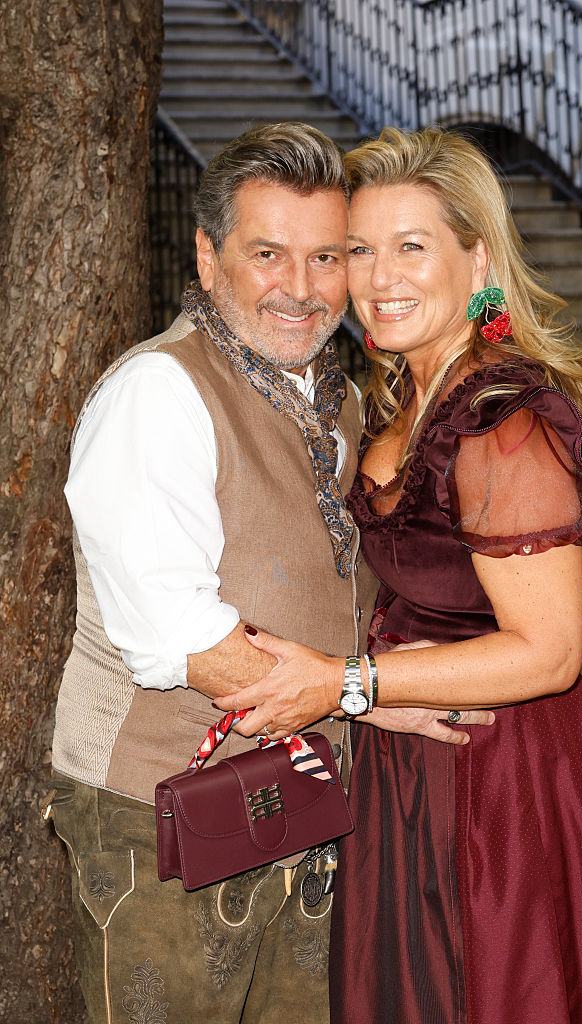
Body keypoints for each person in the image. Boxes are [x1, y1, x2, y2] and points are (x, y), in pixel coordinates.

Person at [222, 127, 582, 1024]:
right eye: (359, 249)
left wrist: (346, 683)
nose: (379, 277)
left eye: (411, 246)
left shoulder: (501, 419)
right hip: (409, 756)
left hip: (504, 779)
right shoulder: (398, 400)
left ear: (477, 263)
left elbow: (548, 651)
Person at [44, 122, 493, 1024]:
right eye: (267, 254)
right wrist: (368, 696)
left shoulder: (342, 400)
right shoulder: (158, 393)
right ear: (208, 258)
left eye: (326, 257)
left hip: (307, 809)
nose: (299, 287)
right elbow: (182, 640)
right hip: (160, 816)